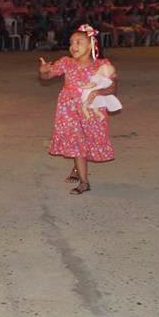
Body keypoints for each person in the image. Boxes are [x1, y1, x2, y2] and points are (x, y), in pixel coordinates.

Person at [39, 24, 116, 195]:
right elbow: (47, 76)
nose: (73, 46)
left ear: (91, 45)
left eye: (79, 42)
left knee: (87, 140)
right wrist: (43, 72)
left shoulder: (102, 65)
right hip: (69, 109)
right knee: (77, 141)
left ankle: (76, 169)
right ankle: (84, 182)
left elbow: (112, 88)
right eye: (71, 43)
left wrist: (98, 91)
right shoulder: (66, 62)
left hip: (91, 108)